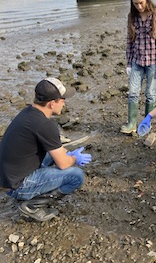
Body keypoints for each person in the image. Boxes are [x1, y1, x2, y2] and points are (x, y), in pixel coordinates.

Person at [0, 77, 92, 222]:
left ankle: (30, 193)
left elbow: (55, 151)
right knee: (76, 176)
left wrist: (67, 154)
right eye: (62, 100)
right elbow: (63, 164)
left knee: (55, 155)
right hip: (17, 185)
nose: (64, 103)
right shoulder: (44, 125)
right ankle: (32, 205)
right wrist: (74, 158)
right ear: (51, 103)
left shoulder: (28, 113)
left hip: (8, 176)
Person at [120, 0, 156, 134]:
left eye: (141, 2)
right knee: (133, 93)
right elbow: (129, 40)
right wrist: (128, 62)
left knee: (150, 94)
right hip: (136, 61)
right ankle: (131, 123)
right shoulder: (132, 17)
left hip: (153, 62)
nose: (139, 6)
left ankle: (147, 123)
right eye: (135, 4)